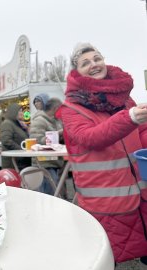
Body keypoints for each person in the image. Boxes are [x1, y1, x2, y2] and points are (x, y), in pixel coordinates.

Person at [57, 42, 147, 265]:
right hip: (108, 206)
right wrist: (130, 118)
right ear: (76, 72)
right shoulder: (71, 109)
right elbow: (91, 137)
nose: (94, 64)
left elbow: (140, 134)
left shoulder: (125, 99)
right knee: (108, 261)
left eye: (97, 58)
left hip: (140, 196)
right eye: (85, 63)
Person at [29, 97, 64, 195]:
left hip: (54, 162)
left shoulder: (56, 121)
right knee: (48, 196)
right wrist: (58, 134)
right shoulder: (39, 121)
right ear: (55, 108)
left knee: (54, 194)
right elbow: (37, 141)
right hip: (44, 164)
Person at [0, 103, 31, 170]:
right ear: (13, 112)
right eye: (19, 111)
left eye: (22, 111)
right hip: (13, 163)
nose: (22, 113)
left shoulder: (18, 124)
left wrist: (26, 129)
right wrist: (21, 150)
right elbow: (6, 140)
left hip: (20, 162)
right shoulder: (7, 123)